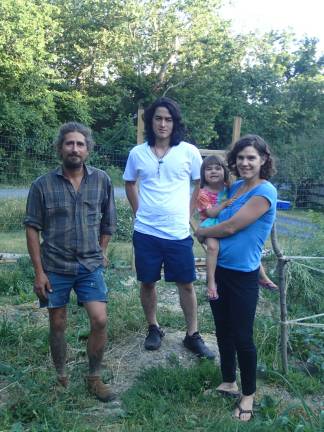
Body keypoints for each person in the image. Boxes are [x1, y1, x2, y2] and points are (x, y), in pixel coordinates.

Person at [24, 122, 117, 402]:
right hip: (55, 267)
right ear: (59, 148)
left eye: (80, 144)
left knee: (100, 320)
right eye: (69, 144)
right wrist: (39, 272)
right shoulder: (42, 185)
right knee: (58, 323)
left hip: (89, 266)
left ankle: (94, 377)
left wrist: (102, 251)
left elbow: (108, 221)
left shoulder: (102, 180)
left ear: (87, 149)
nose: (74, 149)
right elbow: (32, 228)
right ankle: (61, 376)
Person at [123, 97, 215, 359]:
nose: (163, 124)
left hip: (177, 233)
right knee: (148, 282)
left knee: (185, 284)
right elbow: (130, 183)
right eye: (158, 118)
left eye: (168, 119)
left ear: (175, 123)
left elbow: (199, 184)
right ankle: (154, 327)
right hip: (146, 232)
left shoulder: (189, 151)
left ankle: (192, 335)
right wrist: (138, 212)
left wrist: (188, 214)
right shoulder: (137, 153)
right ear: (150, 122)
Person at [195, 135, 277, 421]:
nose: (245, 162)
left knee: (243, 336)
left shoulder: (265, 192)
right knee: (222, 330)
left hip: (243, 275)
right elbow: (216, 215)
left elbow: (230, 228)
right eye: (241, 157)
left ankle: (249, 394)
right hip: (220, 271)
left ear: (263, 160)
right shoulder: (237, 186)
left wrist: (201, 232)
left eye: (251, 157)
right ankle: (228, 381)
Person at [197, 155, 277, 300]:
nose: (213, 172)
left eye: (218, 168)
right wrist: (224, 204)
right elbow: (210, 212)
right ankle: (210, 282)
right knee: (213, 248)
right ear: (203, 173)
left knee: (252, 250)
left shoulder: (229, 187)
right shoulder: (203, 193)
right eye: (209, 169)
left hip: (240, 263)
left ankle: (263, 277)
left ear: (224, 171)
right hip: (210, 223)